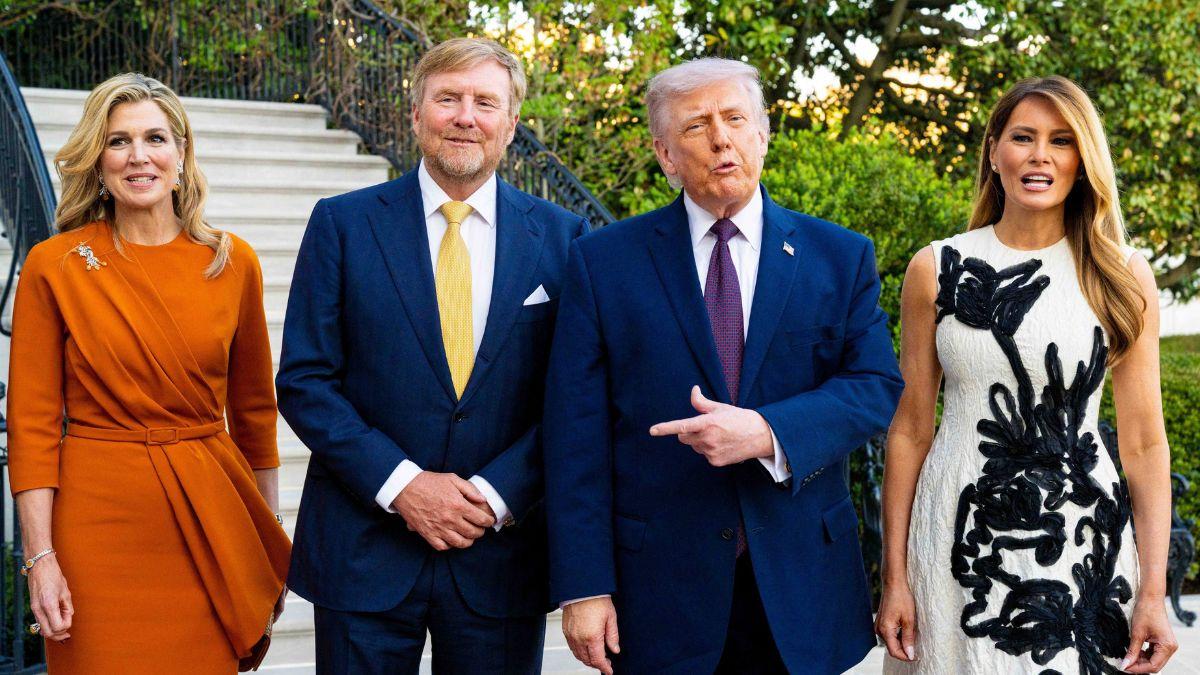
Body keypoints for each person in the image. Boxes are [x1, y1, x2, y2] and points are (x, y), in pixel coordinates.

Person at [542, 57, 904, 675]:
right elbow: (574, 439)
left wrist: (768, 432)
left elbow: (875, 387)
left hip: (803, 586)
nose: (721, 139)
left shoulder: (839, 256)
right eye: (696, 126)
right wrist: (584, 588)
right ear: (665, 154)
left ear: (762, 133)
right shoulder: (602, 263)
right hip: (656, 592)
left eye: (735, 118)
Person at [276, 37, 589, 673]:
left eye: (484, 102)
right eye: (447, 98)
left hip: (499, 553)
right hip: (364, 547)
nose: (465, 116)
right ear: (416, 114)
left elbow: (575, 397)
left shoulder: (565, 239)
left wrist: (496, 494)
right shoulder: (341, 223)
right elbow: (306, 380)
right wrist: (404, 486)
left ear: (511, 124)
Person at [876, 76, 1179, 674]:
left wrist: (1152, 591)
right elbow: (910, 430)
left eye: (1062, 141)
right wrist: (894, 576)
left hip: (1084, 539)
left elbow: (1144, 443)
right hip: (958, 538)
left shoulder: (1121, 273)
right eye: (1023, 137)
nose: (1041, 156)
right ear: (994, 150)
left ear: (1082, 159)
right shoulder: (937, 268)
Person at [7, 72, 290, 672]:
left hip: (207, 516)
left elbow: (255, 415)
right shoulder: (54, 265)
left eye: (155, 138)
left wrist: (262, 537)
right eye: (118, 141)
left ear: (182, 155)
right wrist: (40, 557)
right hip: (95, 524)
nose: (139, 157)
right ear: (98, 161)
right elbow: (30, 426)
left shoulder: (232, 262)